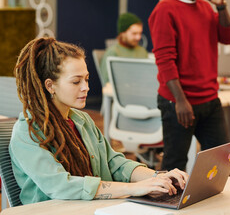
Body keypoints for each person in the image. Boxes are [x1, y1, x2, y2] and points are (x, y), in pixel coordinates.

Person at [9, 37, 188, 205]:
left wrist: (158, 178)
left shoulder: (82, 120)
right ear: (50, 86)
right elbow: (61, 186)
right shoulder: (28, 131)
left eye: (86, 79)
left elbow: (115, 163)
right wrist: (134, 188)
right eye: (76, 82)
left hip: (92, 207)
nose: (86, 87)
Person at [148, 0, 230, 171]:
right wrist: (180, 100)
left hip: (210, 100)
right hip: (179, 102)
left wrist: (221, 6)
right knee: (175, 165)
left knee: (220, 161)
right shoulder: (164, 9)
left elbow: (227, 38)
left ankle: (205, 201)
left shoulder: (205, 7)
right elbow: (164, 59)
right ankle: (167, 201)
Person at [100, 12, 148, 84]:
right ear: (122, 33)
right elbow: (107, 83)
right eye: (134, 33)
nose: (138, 37)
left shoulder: (142, 51)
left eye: (140, 33)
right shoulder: (113, 52)